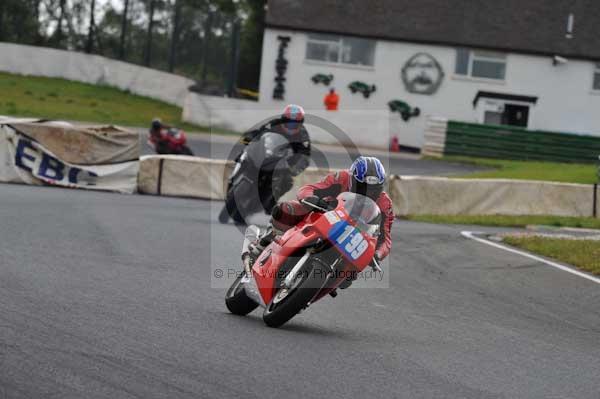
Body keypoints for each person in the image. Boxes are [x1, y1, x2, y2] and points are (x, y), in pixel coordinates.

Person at [248, 156, 394, 289]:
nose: (367, 193)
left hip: (353, 238)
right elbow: (310, 189)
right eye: (363, 187)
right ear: (352, 180)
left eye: (374, 189)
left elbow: (385, 238)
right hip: (325, 216)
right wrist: (311, 198)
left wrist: (377, 254)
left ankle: (311, 293)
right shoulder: (341, 178)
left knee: (348, 278)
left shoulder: (385, 204)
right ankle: (264, 242)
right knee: (286, 209)